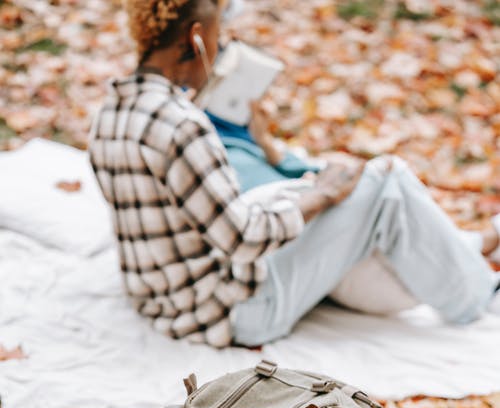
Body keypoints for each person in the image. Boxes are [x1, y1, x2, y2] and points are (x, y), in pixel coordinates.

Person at [88, 0, 500, 348]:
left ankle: (470, 250)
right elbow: (244, 238)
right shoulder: (182, 125)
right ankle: (480, 294)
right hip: (233, 314)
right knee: (384, 182)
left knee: (349, 193)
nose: (219, 51)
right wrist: (320, 195)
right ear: (196, 38)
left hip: (162, 303)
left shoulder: (110, 113)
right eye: (217, 38)